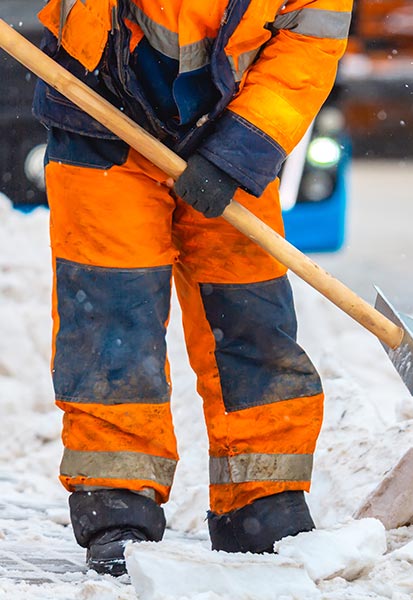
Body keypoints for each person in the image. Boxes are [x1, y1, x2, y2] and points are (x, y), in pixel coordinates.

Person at [32, 0, 351, 576]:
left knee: (251, 313)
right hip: (100, 118)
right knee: (110, 317)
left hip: (232, 128)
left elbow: (310, 43)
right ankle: (117, 505)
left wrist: (241, 149)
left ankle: (263, 501)